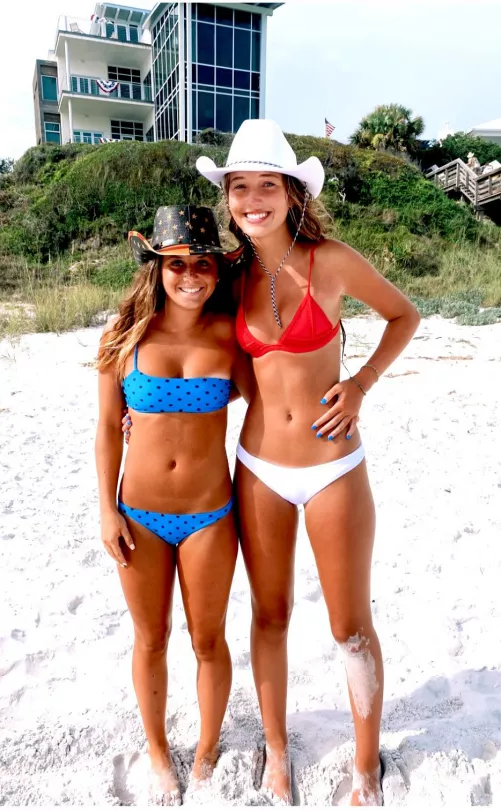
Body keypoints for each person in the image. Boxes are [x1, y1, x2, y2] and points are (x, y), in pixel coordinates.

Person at [196, 119, 421, 806]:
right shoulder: (229, 276)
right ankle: (276, 753)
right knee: (268, 615)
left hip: (332, 466)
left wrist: (359, 385)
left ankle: (364, 763)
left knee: (348, 624)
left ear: (293, 193)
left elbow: (403, 315)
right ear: (228, 198)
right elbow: (183, 341)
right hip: (258, 464)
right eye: (240, 187)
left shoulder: (332, 260)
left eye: (268, 184)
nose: (252, 198)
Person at [95, 205, 250, 805]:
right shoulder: (125, 335)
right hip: (138, 515)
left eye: (203, 264)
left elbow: (268, 405)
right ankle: (159, 751)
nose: (190, 276)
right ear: (157, 268)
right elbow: (110, 429)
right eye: (177, 264)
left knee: (208, 639)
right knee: (151, 637)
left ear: (217, 271)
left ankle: (207, 747)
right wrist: (107, 510)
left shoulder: (229, 335)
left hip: (212, 513)